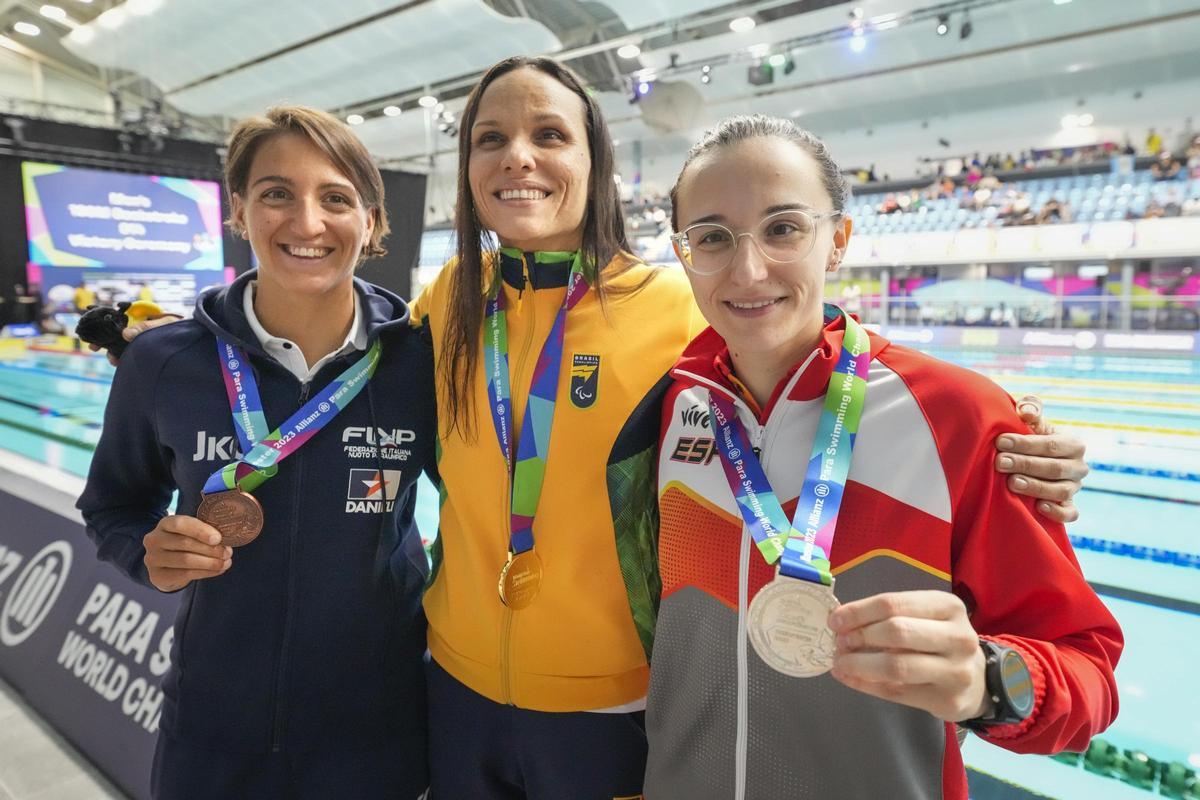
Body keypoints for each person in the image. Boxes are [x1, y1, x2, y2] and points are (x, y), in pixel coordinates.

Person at [112, 58, 1090, 799]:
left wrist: (1006, 435)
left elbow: (809, 348)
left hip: (612, 705)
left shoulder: (676, 309)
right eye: (490, 138)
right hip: (453, 687)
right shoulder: (452, 298)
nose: (517, 157)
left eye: (549, 134)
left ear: (595, 160)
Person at [645, 115, 1122, 799]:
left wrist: (991, 681)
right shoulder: (663, 409)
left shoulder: (958, 416)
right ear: (684, 252)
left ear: (836, 241)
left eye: (783, 229)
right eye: (713, 238)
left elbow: (1088, 672)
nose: (748, 269)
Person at [76, 106, 435, 799]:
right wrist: (147, 553)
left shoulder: (418, 365)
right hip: (215, 730)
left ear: (371, 220)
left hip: (379, 730)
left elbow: (481, 509)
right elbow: (112, 506)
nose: (306, 223)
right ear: (239, 210)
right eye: (277, 193)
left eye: (335, 198)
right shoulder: (162, 362)